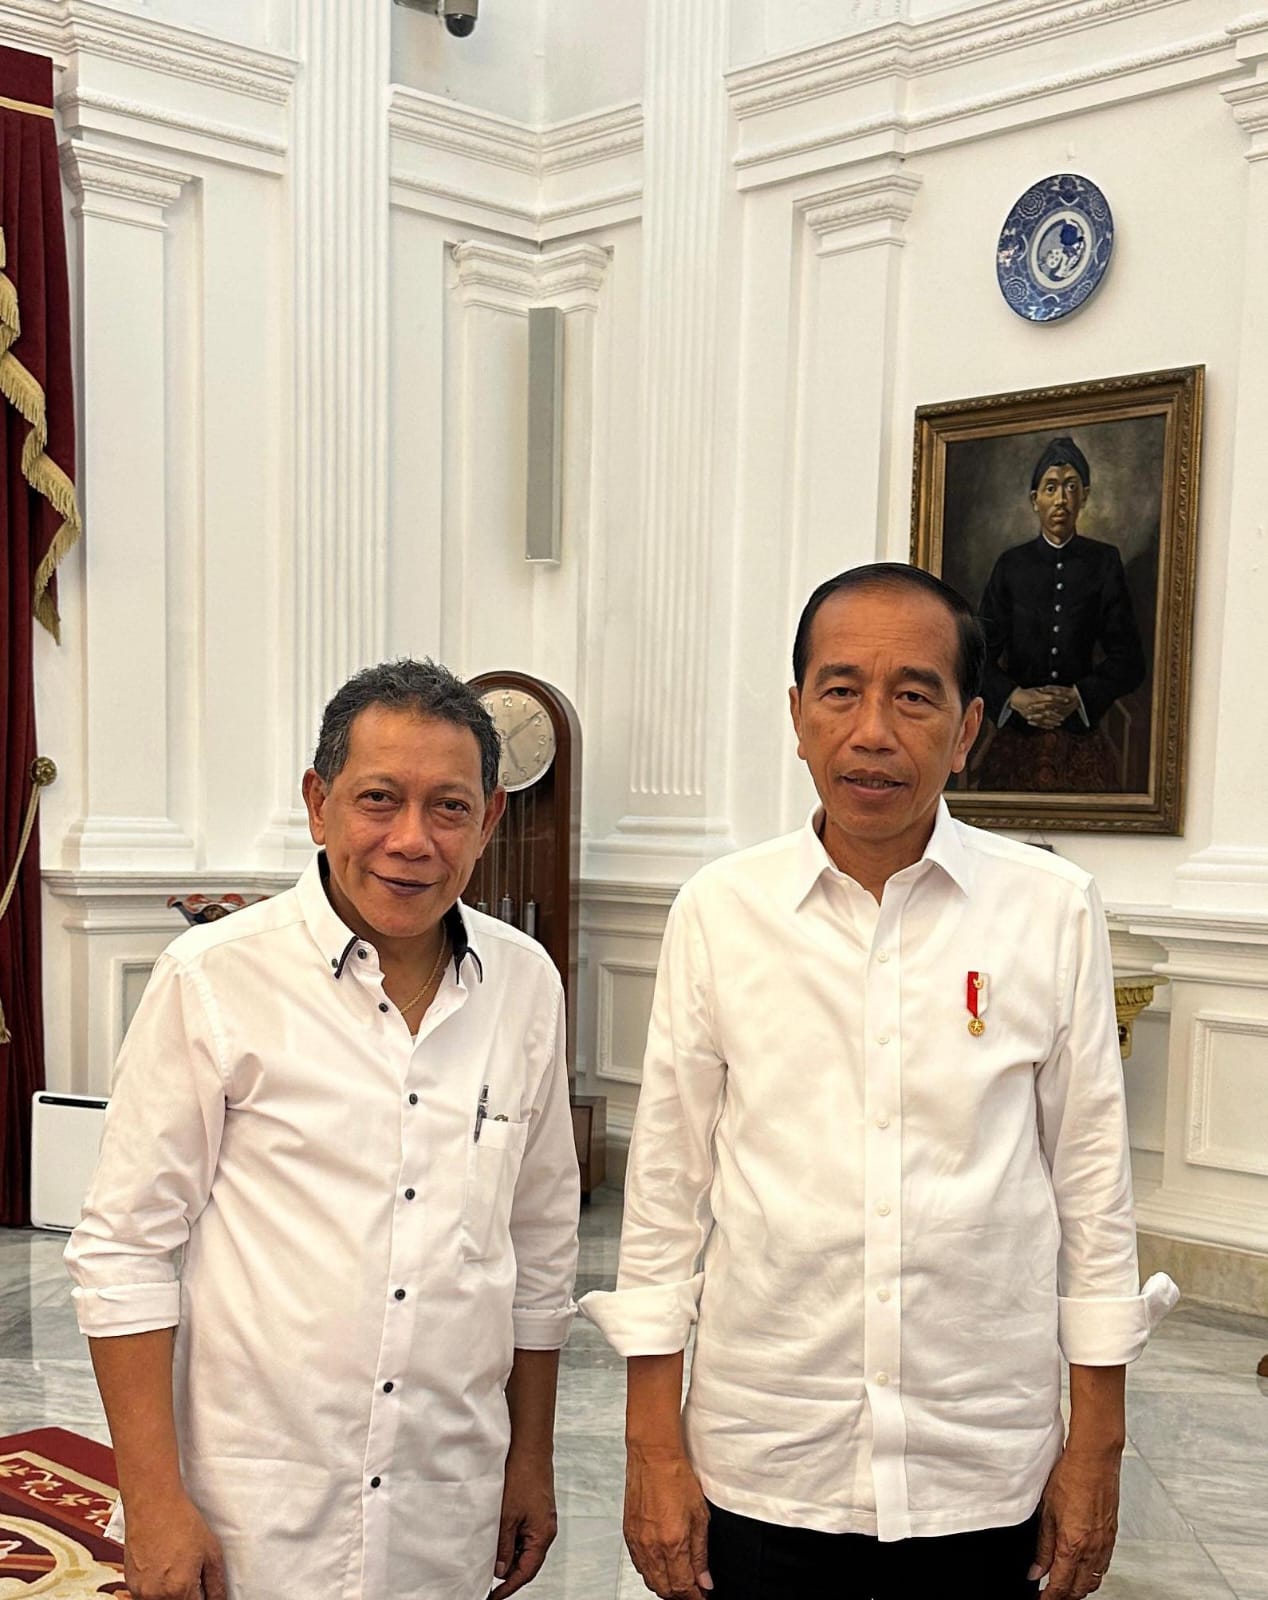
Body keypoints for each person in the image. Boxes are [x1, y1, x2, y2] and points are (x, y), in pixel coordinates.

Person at [581, 565, 1176, 1600]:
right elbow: (666, 1193)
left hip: (978, 1466)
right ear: (797, 716)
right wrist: (652, 1447)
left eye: (913, 696)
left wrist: (1095, 1447)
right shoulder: (720, 911)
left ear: (967, 727)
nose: (872, 731)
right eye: (841, 690)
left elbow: (1091, 1192)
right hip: (766, 1454)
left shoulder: (1049, 909)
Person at [66, 658, 580, 1600]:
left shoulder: (526, 985)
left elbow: (540, 1245)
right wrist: (153, 1499)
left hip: (443, 1506)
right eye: (378, 799)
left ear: (490, 821)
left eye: (450, 807)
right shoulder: (215, 978)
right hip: (254, 1512)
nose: (411, 841)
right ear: (318, 803)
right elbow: (124, 1250)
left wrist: (530, 1460)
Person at [977, 436, 1146, 792]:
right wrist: (1015, 698)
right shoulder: (1011, 565)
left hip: (1080, 733)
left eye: (1071, 487)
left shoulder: (1104, 562)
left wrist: (1078, 696)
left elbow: (1130, 660)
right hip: (1017, 732)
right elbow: (977, 657)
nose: (1061, 500)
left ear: (1084, 496)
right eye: (1051, 488)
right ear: (1034, 499)